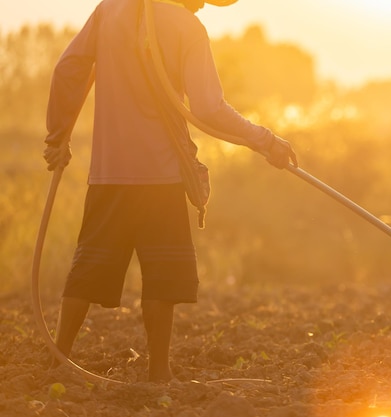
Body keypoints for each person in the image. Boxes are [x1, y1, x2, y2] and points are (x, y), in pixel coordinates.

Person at [44, 0, 297, 382]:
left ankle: (57, 360)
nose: (203, 8)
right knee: (163, 273)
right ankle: (158, 374)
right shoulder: (186, 28)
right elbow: (209, 108)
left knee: (89, 264)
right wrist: (266, 141)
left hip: (108, 172)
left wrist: (57, 134)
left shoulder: (110, 9)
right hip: (159, 175)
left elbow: (69, 68)